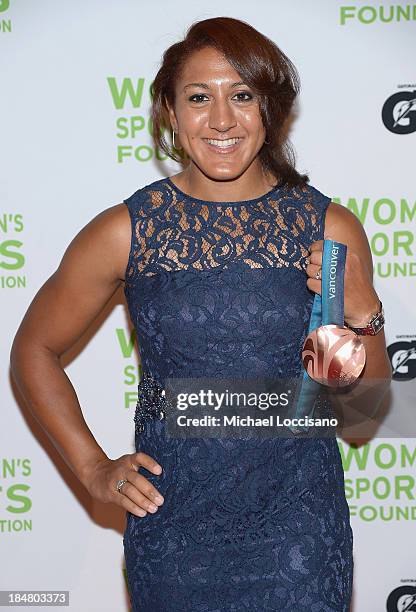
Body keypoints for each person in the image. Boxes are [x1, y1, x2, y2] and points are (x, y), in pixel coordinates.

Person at [10, 16, 391, 612]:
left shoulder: (329, 227)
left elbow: (365, 412)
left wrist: (362, 307)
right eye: (198, 98)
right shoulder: (126, 231)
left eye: (242, 96)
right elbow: (33, 350)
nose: (221, 120)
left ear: (271, 108)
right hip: (174, 535)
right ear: (169, 111)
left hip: (298, 536)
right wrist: (91, 468)